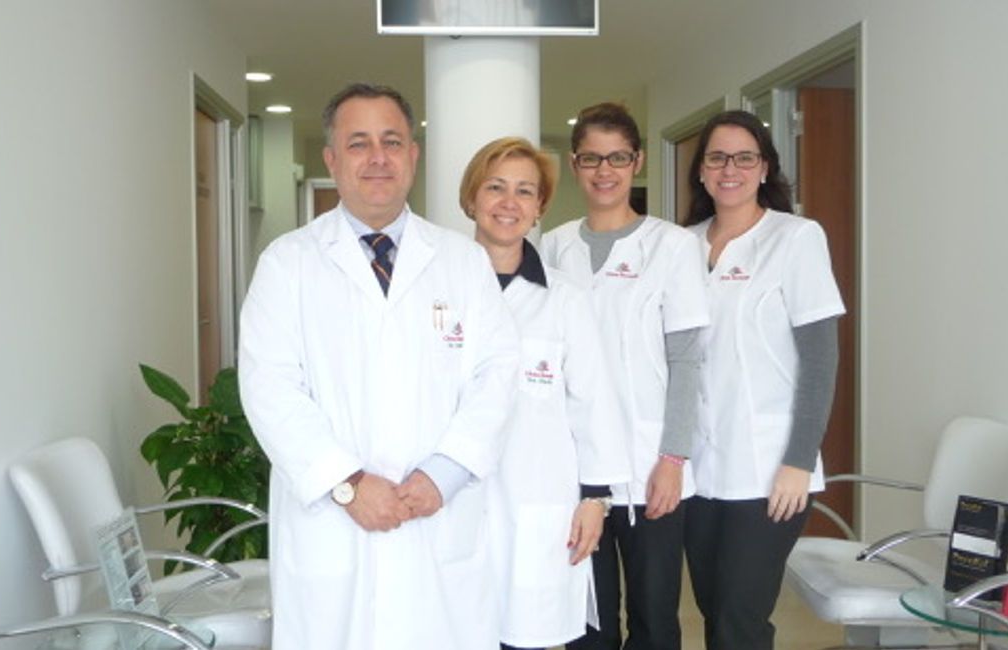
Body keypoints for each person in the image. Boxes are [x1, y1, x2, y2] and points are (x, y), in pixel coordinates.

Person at [237, 83, 520, 650]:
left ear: (413, 155)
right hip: (333, 528)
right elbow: (269, 388)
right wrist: (347, 484)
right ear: (331, 158)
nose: (378, 158)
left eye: (392, 142)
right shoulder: (287, 263)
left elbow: (498, 373)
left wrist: (444, 472)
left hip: (437, 519)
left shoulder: (462, 261)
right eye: (358, 143)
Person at [542, 103, 710, 650]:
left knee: (654, 618)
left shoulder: (672, 246)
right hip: (576, 467)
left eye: (617, 157)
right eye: (591, 158)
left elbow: (686, 359)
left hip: (648, 464)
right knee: (587, 621)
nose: (604, 171)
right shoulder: (553, 246)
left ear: (636, 162)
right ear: (575, 164)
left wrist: (673, 459)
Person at [680, 110, 844, 650]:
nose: (730, 169)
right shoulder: (680, 245)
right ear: (701, 170)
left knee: (740, 619)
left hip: (769, 468)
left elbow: (819, 361)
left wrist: (799, 460)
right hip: (697, 467)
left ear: (765, 167)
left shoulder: (795, 239)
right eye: (717, 158)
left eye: (744, 157)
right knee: (712, 609)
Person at [460, 136, 632, 650]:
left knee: (526, 630)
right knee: (456, 626)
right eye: (495, 187)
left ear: (539, 208)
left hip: (537, 496)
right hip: (452, 499)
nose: (509, 203)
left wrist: (595, 499)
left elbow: (594, 403)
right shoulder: (438, 289)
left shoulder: (565, 301)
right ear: (471, 198)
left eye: (524, 191)